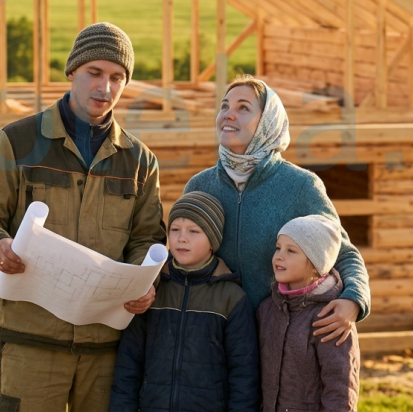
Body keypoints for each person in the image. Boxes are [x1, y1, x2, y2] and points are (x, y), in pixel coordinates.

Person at [0, 22, 166, 412]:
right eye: (94, 73)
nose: (104, 87)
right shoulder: (18, 142)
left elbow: (146, 239)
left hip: (106, 349)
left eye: (117, 77)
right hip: (31, 342)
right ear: (72, 71)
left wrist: (144, 281)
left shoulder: (139, 161)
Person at [184, 75, 371, 345]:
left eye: (243, 108)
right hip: (212, 340)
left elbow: (343, 252)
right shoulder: (199, 186)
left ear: (267, 122)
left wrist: (354, 300)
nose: (228, 115)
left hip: (276, 340)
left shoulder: (300, 186)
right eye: (224, 106)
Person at [109, 191, 260, 412]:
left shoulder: (231, 298)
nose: (182, 238)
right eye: (175, 229)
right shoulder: (152, 289)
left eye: (194, 231)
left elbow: (243, 374)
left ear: (213, 240)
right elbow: (129, 363)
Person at [258, 215, 361, 411]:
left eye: (291, 251)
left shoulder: (331, 317)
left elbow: (341, 389)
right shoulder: (267, 309)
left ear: (315, 262)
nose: (279, 256)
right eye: (278, 248)